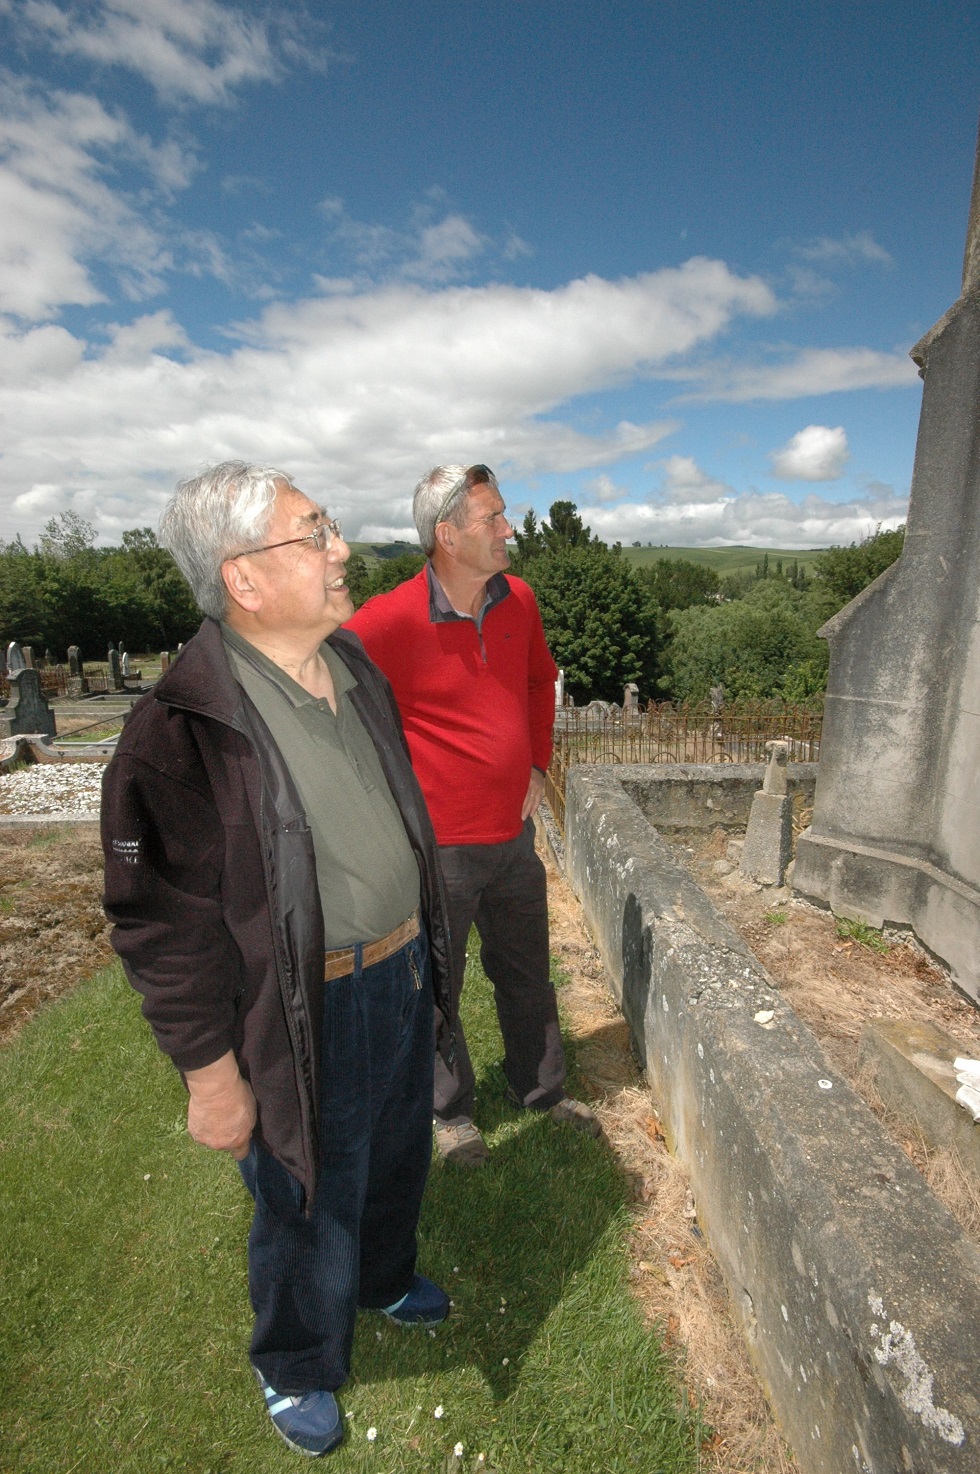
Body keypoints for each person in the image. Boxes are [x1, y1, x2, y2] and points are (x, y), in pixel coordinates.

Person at [101, 461, 454, 1458]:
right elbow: (153, 922)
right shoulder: (177, 733)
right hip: (304, 1005)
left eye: (329, 527)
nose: (341, 548)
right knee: (304, 1192)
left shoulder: (353, 669)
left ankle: (383, 1275)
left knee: (395, 1148)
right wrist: (211, 1077)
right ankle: (295, 1360)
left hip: (400, 973)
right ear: (243, 577)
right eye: (315, 532)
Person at [347, 463, 599, 1166]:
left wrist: (538, 766)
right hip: (438, 850)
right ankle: (450, 1113)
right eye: (492, 518)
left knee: (526, 972)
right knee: (436, 986)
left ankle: (541, 1091)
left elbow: (537, 679)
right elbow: (337, 709)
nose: (508, 529)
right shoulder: (386, 621)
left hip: (513, 838)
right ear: (446, 535)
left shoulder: (518, 597)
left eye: (503, 514)